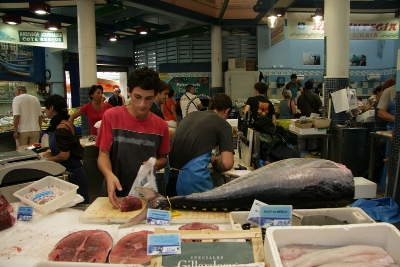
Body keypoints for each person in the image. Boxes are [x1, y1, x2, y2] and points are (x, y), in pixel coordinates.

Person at [95, 67, 170, 208]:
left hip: (144, 197)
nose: (142, 104)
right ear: (129, 91)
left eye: (148, 99)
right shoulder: (112, 117)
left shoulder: (161, 126)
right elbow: (103, 154)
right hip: (114, 193)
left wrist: (154, 163)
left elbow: (163, 159)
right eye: (137, 97)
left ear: (154, 96)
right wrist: (108, 174)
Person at [165, 93, 234, 197]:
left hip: (170, 177)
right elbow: (227, 163)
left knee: (175, 211)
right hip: (192, 180)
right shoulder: (223, 124)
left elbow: (190, 146)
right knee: (202, 213)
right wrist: (216, 161)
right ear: (227, 111)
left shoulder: (191, 116)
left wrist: (207, 157)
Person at [43, 94, 89, 203]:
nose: (45, 110)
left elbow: (64, 155)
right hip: (69, 172)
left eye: (46, 107)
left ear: (52, 108)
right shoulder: (64, 123)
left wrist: (47, 159)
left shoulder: (61, 127)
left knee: (76, 208)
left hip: (71, 174)